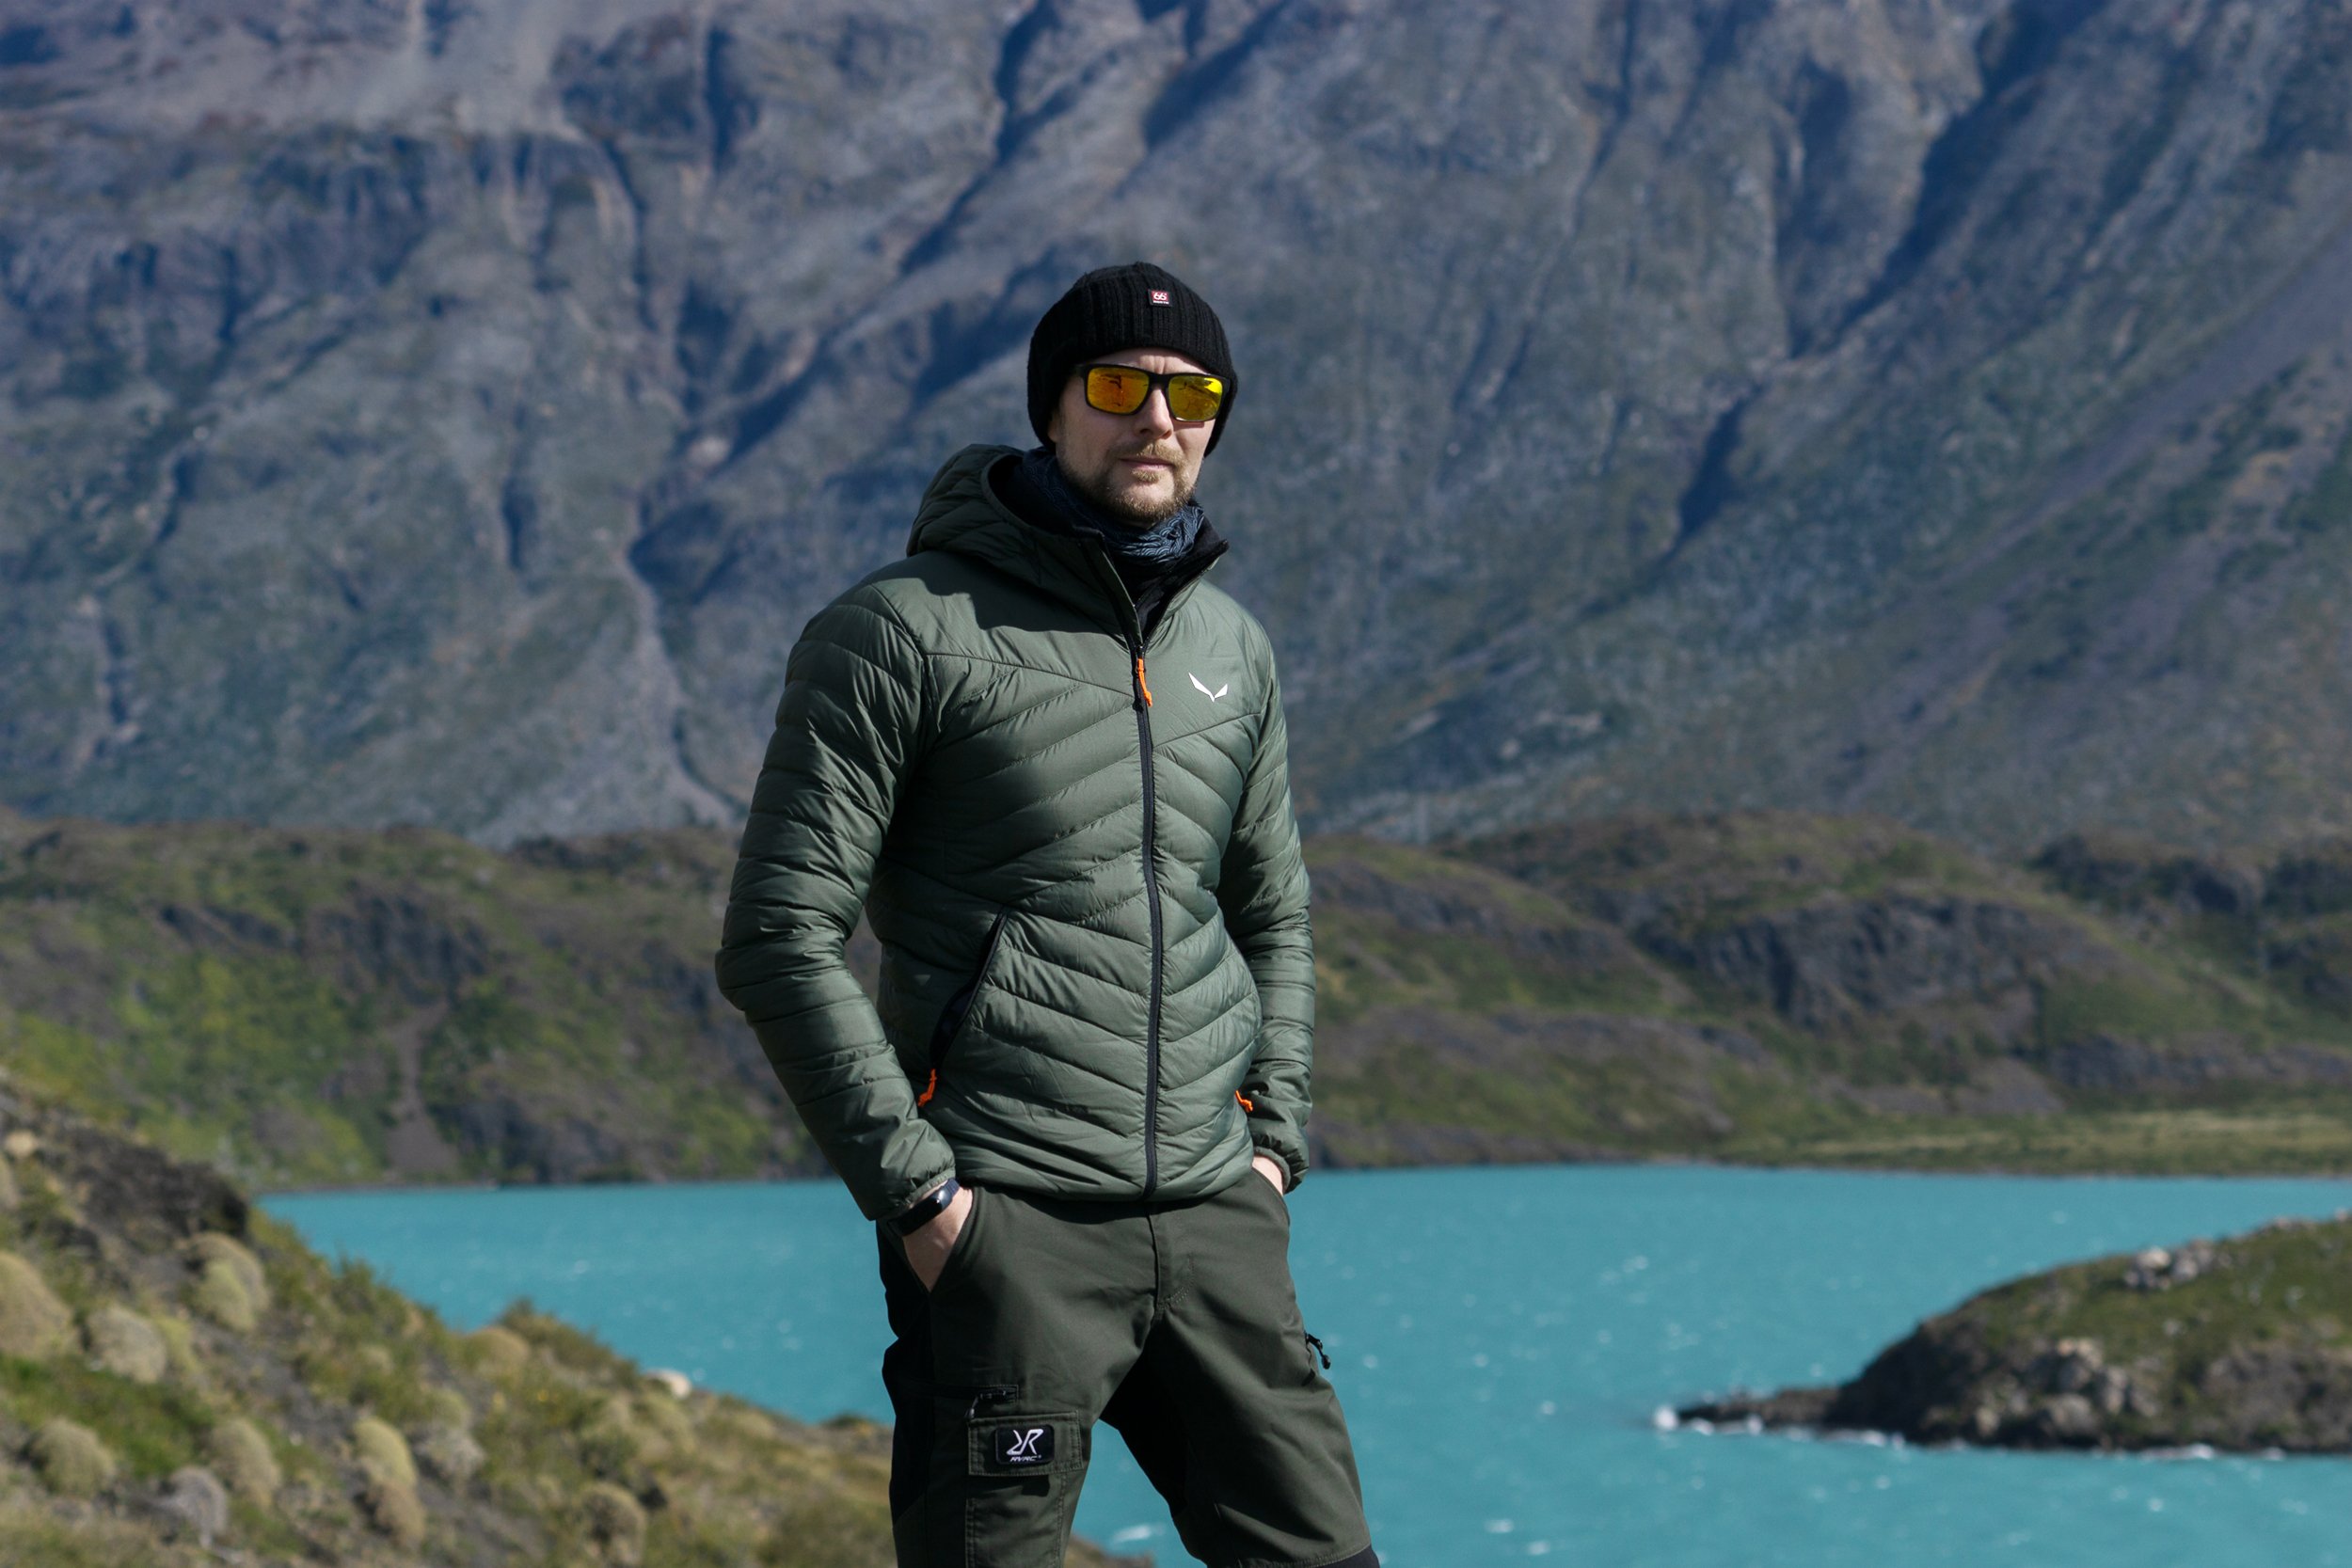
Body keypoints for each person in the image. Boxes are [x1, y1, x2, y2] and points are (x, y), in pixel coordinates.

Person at [715, 261, 1376, 1568]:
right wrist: (924, 1202)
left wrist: (1274, 1145)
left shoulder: (1229, 651)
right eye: (1120, 385)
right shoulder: (898, 634)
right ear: (1053, 408)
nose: (1159, 421)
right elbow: (777, 933)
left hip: (1215, 1218)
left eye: (1195, 395)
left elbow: (1274, 916)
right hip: (1006, 1228)